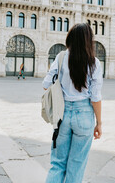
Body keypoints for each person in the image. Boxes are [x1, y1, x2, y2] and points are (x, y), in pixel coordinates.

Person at [43, 23, 103, 183]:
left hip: (62, 115)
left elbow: (46, 84)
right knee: (76, 166)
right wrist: (99, 123)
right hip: (84, 116)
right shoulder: (94, 63)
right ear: (88, 40)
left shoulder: (61, 57)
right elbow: (95, 97)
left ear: (70, 38)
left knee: (57, 164)